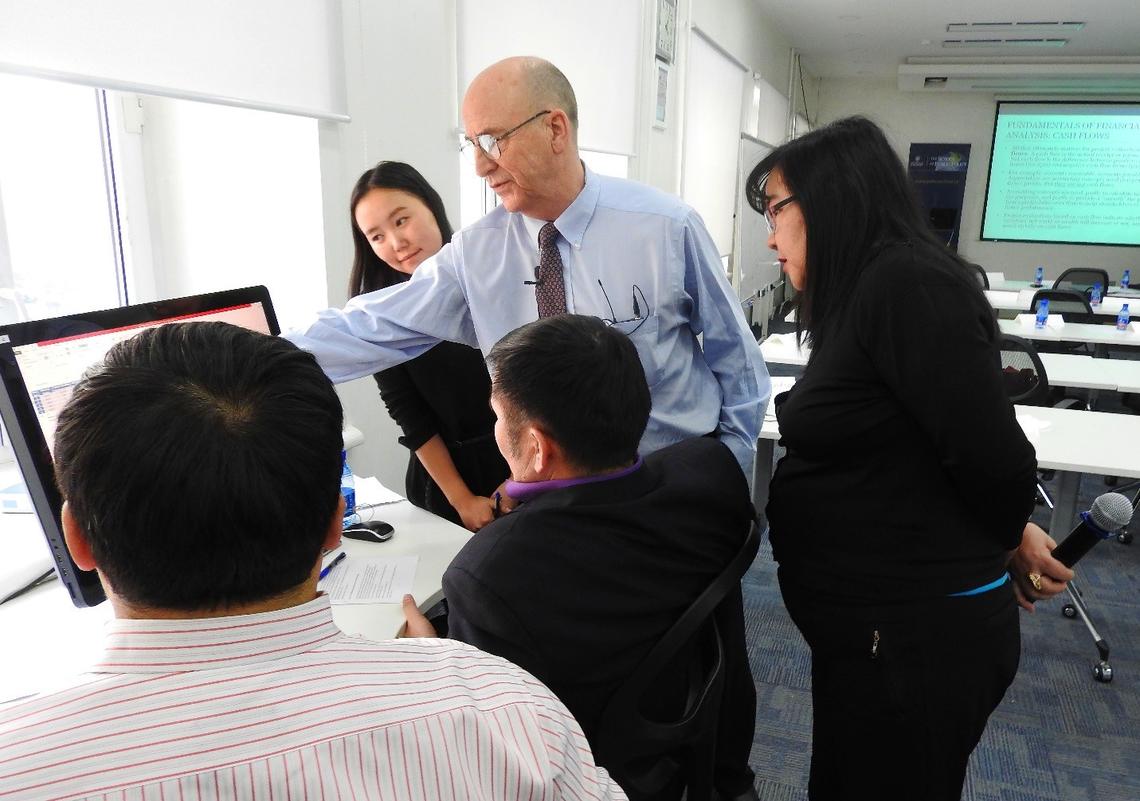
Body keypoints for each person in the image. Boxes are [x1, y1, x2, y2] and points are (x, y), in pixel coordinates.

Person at [0, 321, 624, 801]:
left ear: (76, 540)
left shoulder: (21, 766)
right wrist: (428, 670)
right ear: (335, 523)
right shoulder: (507, 708)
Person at [746, 116, 1074, 801]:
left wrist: (1005, 530)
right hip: (879, 634)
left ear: (834, 197)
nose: (770, 235)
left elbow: (998, 462)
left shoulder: (908, 286)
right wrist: (1008, 534)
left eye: (776, 209)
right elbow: (921, 444)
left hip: (915, 640)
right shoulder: (866, 292)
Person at [285, 56, 769, 477]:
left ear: (555, 128)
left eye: (492, 141)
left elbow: (735, 354)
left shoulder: (664, 227)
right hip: (555, 499)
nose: (479, 165)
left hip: (670, 477)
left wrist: (729, 464)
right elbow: (372, 325)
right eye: (470, 143)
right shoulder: (476, 254)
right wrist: (247, 353)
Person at [402, 314, 759, 801]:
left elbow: (485, 747)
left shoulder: (489, 575)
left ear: (537, 447)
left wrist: (433, 658)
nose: (495, 430)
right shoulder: (708, 470)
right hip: (700, 751)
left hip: (590, 775)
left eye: (499, 417)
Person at [349, 161, 508, 531]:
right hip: (448, 484)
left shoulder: (489, 272)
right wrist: (463, 500)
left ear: (431, 206)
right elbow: (411, 417)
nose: (395, 242)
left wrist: (524, 476)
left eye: (401, 220)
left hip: (525, 461)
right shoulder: (381, 311)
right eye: (376, 236)